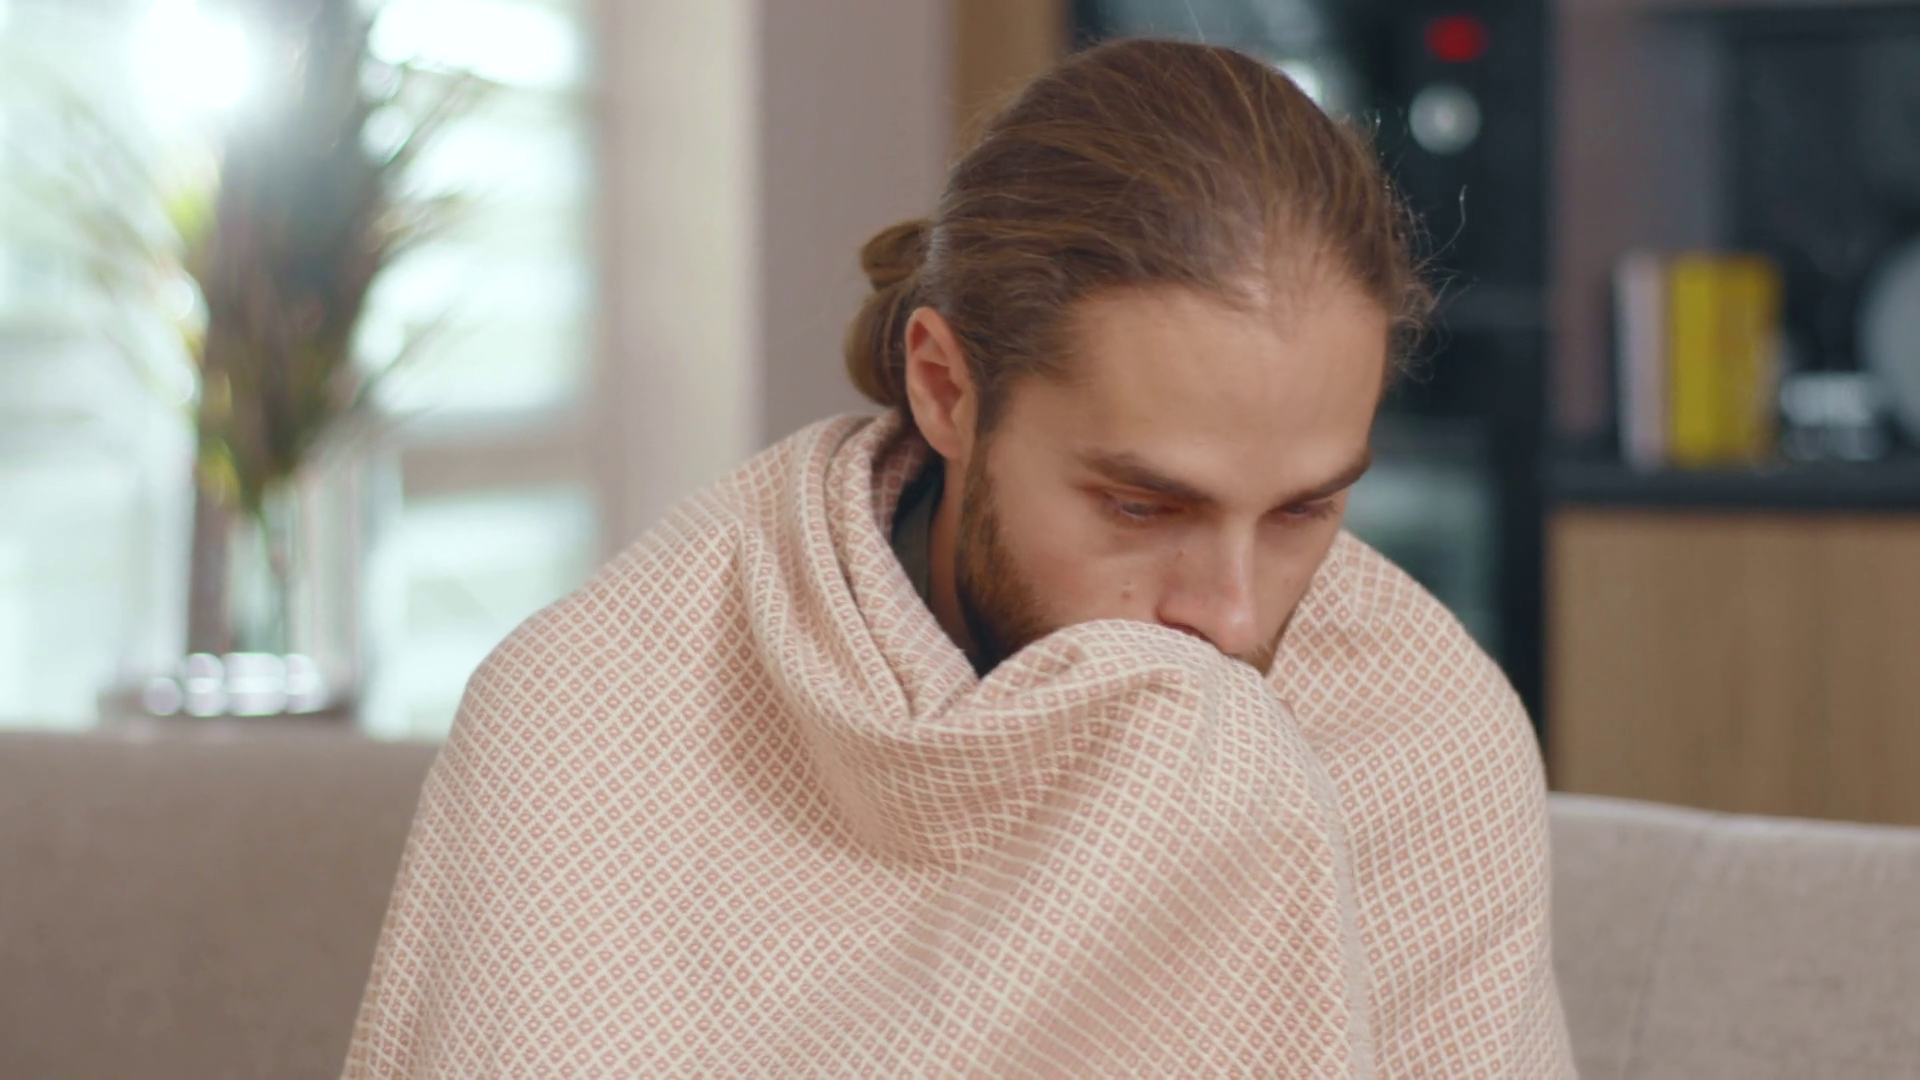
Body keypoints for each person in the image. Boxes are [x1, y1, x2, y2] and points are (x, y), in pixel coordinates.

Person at [345, 38, 1573, 1077]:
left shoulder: (1417, 732)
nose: (1235, 619)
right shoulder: (598, 712)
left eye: (1305, 512)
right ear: (945, 389)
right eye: (1142, 506)